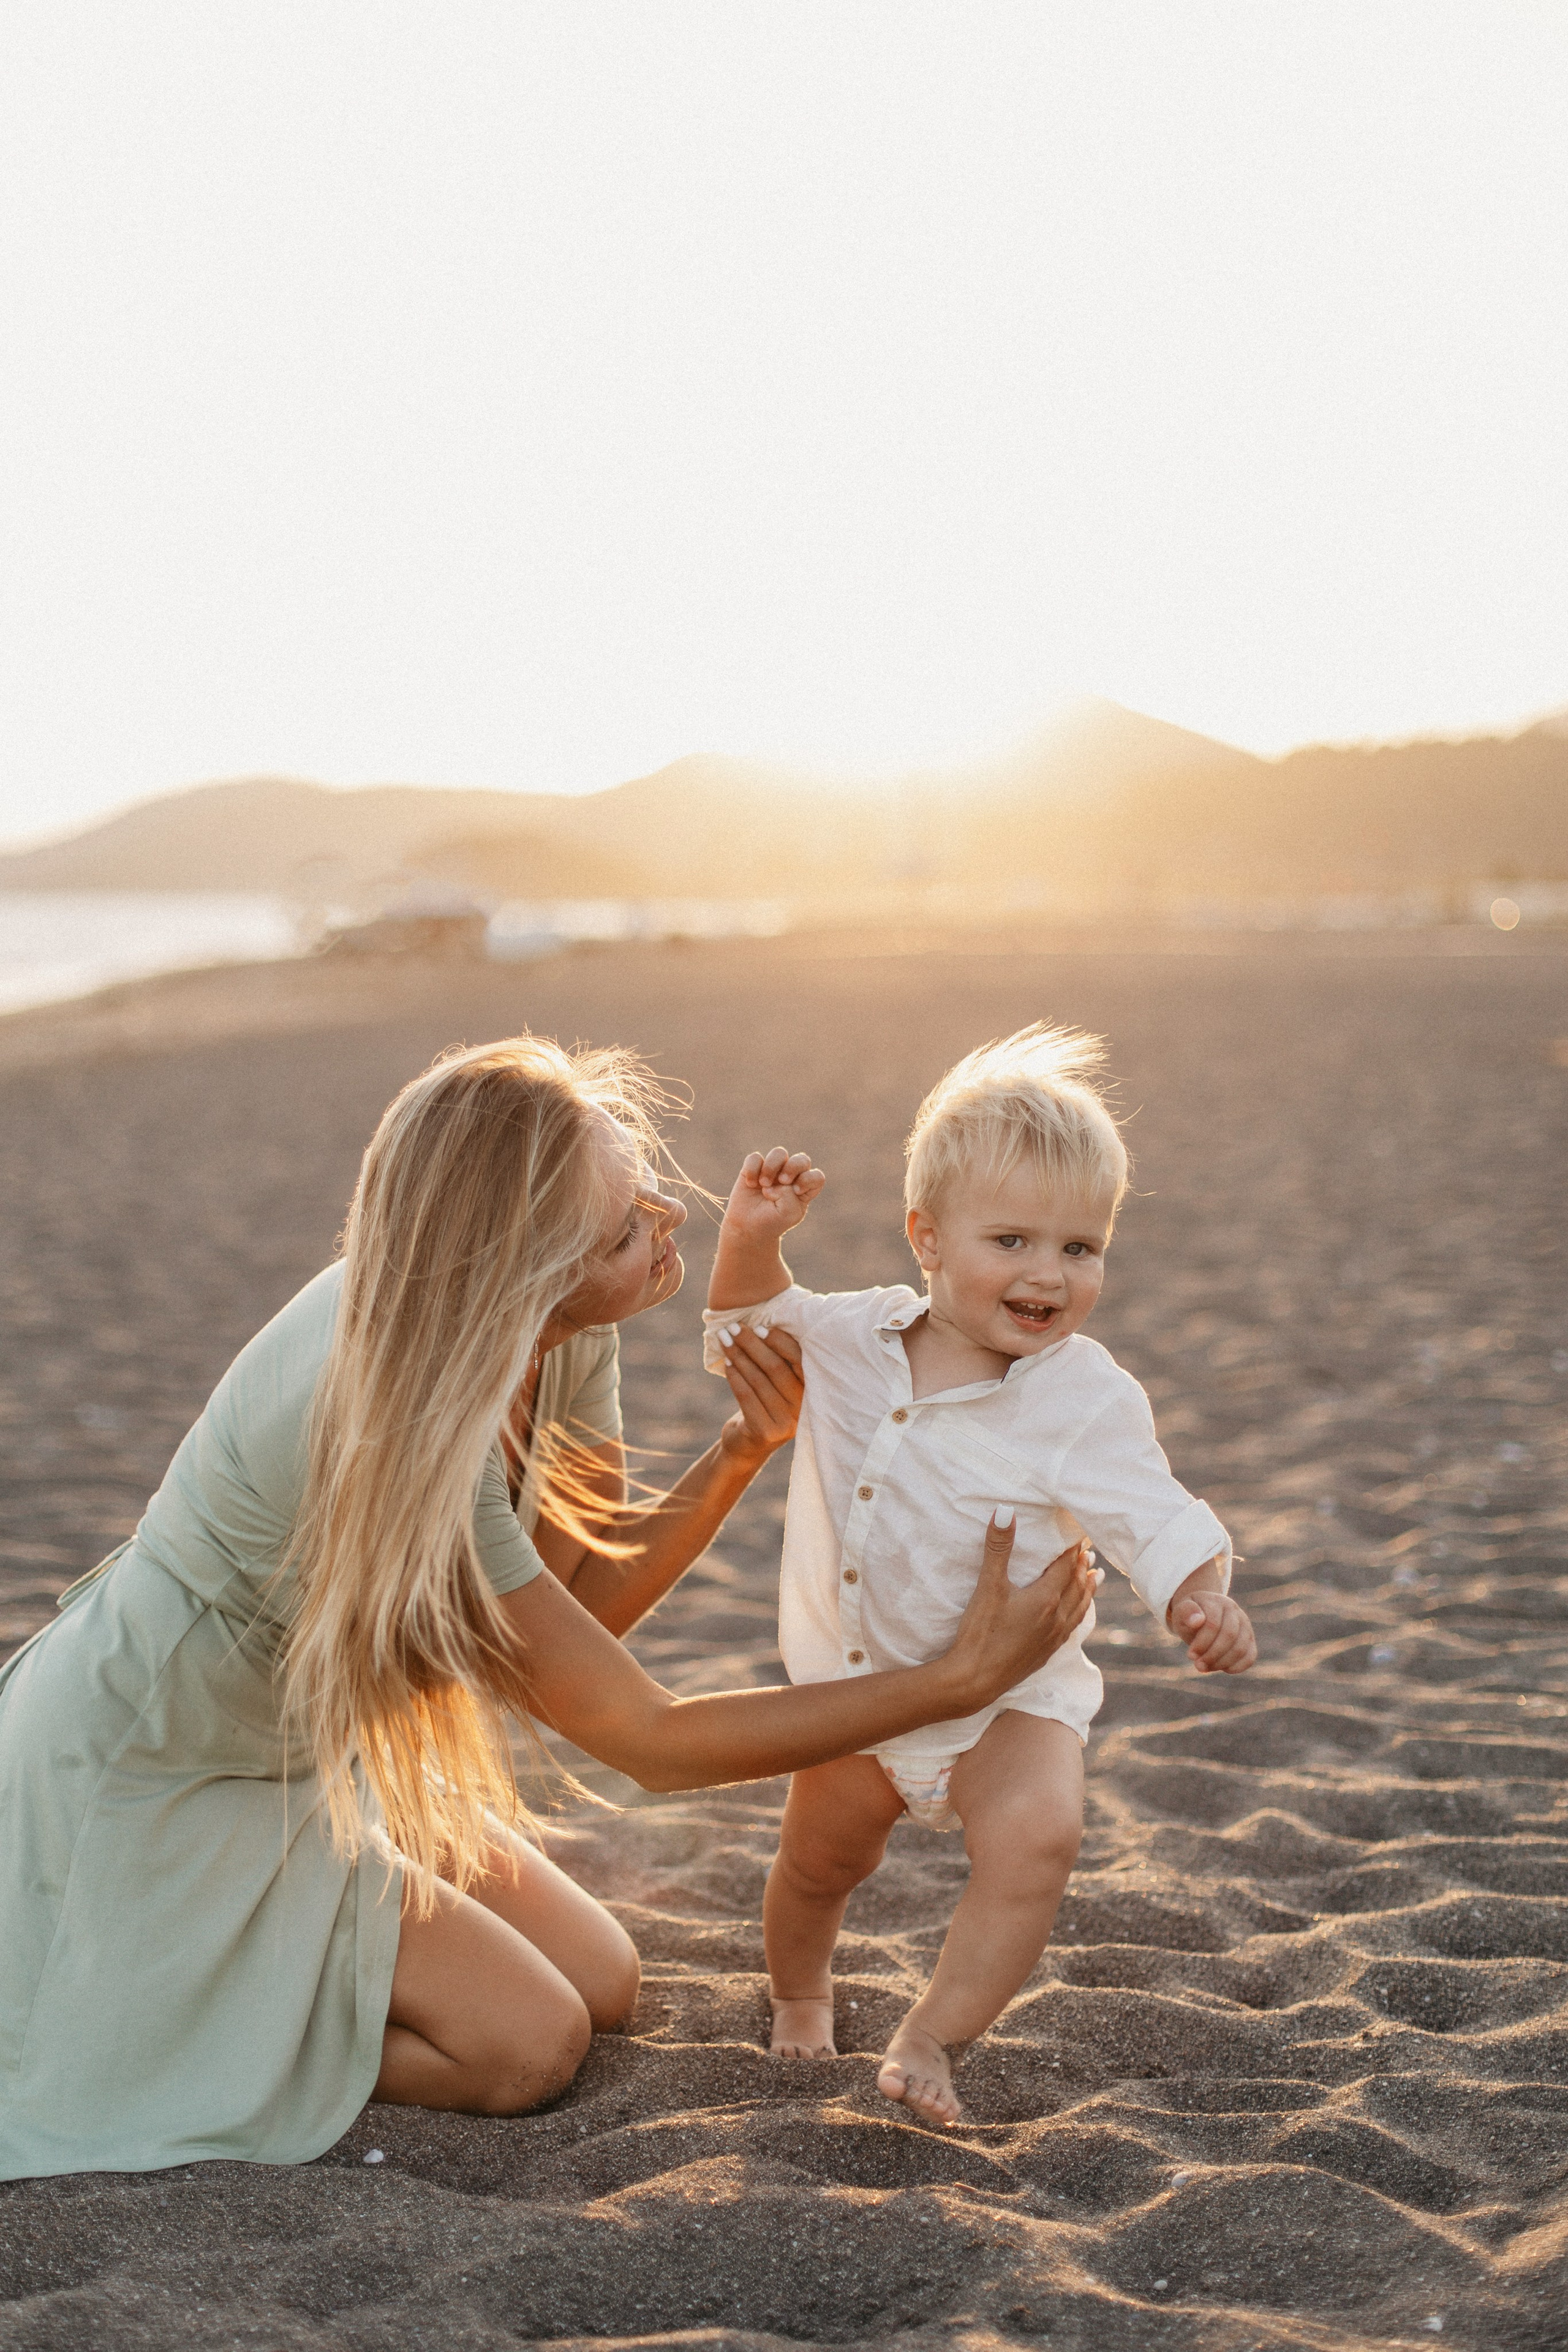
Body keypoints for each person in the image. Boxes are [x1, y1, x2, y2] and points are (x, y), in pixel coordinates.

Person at [0, 1033, 1096, 2179]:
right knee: (527, 2047)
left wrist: (736, 1455)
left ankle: (245, 2013)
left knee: (606, 1979)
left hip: (305, 1762)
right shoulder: (406, 1416)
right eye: (627, 1226)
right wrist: (952, 1683)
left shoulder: (559, 1333)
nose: (669, 1215)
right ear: (528, 1271)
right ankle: (187, 2044)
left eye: (642, 1189)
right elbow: (647, 1743)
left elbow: (582, 1607)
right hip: (155, 1769)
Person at [704, 1021, 1257, 2129]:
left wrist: (1202, 1592)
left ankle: (933, 2035)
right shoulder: (853, 1338)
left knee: (1039, 1839)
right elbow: (741, 1332)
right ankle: (803, 1991)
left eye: (1080, 1248)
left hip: (1011, 1698)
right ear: (926, 1236)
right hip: (856, 1689)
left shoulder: (1082, 1396)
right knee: (818, 1864)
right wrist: (753, 1240)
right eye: (1010, 1240)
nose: (1046, 1275)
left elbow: (1155, 1512)